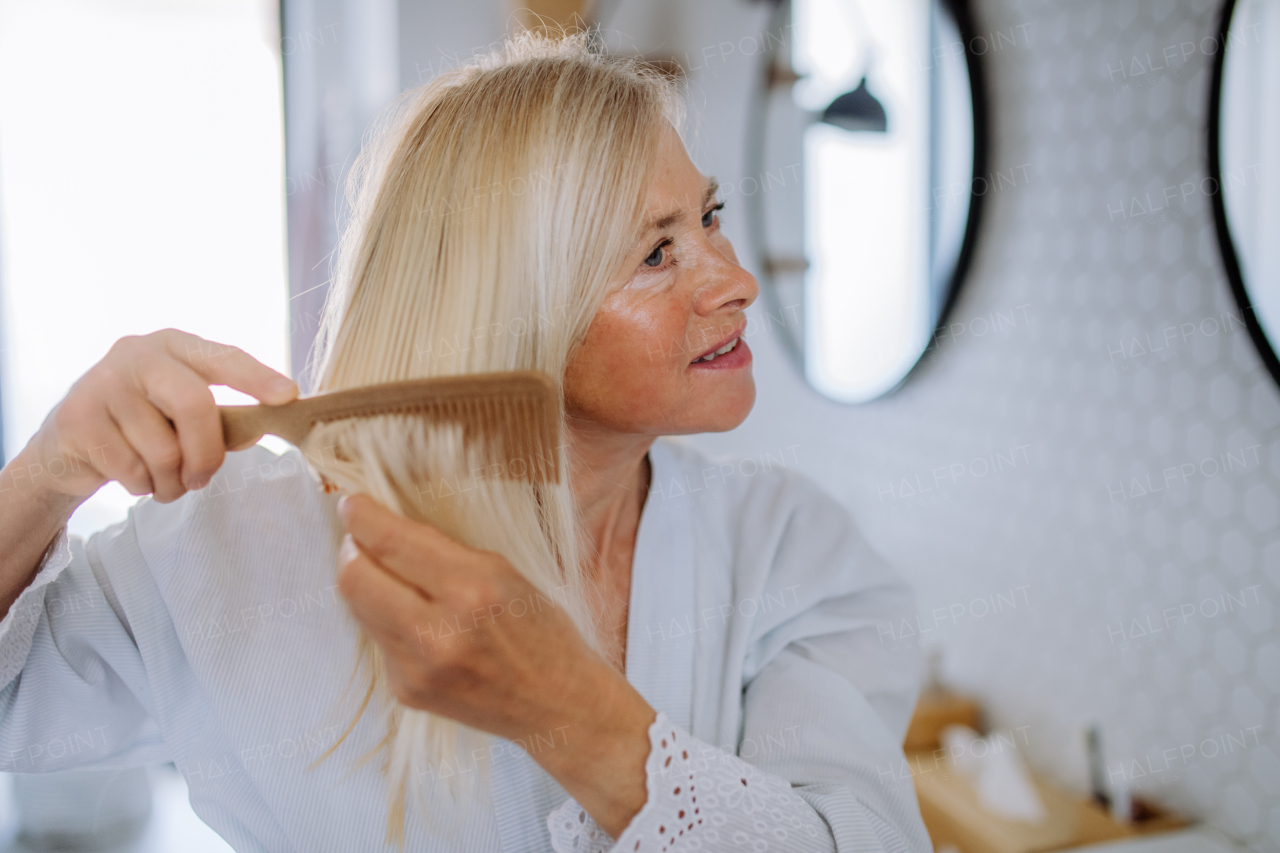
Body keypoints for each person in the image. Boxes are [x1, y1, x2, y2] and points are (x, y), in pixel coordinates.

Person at [0, 32, 930, 853]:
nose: (736, 282)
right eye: (657, 253)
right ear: (515, 309)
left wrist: (573, 713)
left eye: (712, 219)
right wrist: (50, 470)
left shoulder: (789, 553)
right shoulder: (226, 554)